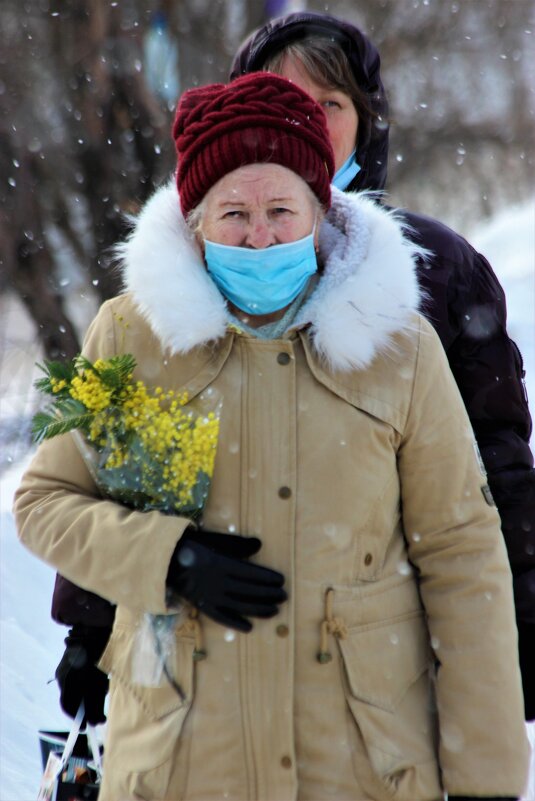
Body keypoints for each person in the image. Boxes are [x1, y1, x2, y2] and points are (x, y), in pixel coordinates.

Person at [14, 72, 529, 801]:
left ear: (322, 210)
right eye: (233, 213)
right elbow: (45, 500)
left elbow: (462, 554)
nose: (259, 236)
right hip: (178, 763)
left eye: (281, 208)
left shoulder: (402, 349)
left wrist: (486, 781)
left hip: (363, 766)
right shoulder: (126, 336)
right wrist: (167, 559)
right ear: (194, 221)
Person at [230, 9, 535, 721]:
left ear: (365, 124)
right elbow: (125, 454)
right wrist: (89, 628)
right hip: (225, 648)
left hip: (386, 646)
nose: (303, 119)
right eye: (282, 97)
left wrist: (517, 621)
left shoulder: (438, 267)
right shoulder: (200, 260)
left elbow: (494, 458)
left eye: (328, 103)